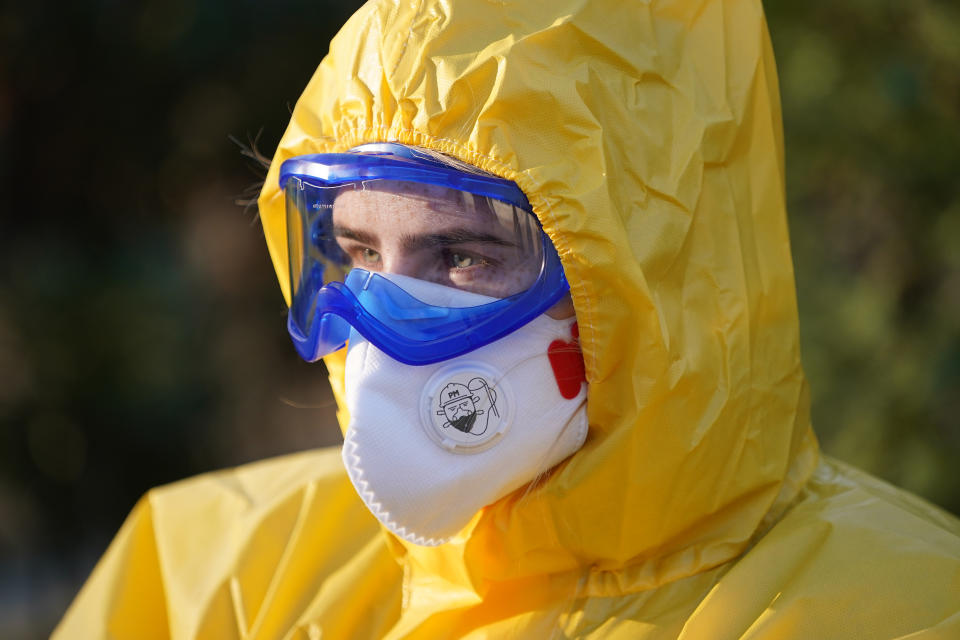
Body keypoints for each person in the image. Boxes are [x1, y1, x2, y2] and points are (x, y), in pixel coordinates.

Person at [56, 0, 960, 638]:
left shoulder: (899, 611)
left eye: (460, 256)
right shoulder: (213, 581)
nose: (380, 328)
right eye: (361, 253)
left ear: (648, 277)